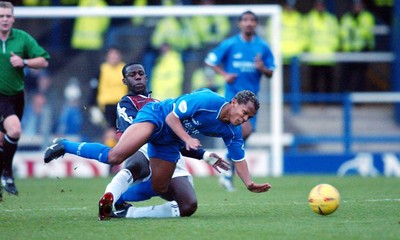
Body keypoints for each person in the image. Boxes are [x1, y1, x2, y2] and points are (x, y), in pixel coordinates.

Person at [44, 87, 272, 218]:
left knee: (160, 187)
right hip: (157, 118)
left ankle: (118, 203)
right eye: (244, 112)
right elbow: (172, 117)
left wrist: (249, 183)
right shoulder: (207, 100)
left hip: (169, 141)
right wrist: (187, 139)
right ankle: (64, 144)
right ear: (233, 102)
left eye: (249, 117)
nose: (244, 118)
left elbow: (238, 158)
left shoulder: (233, 132)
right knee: (116, 156)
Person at [45, 62, 229, 220]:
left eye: (141, 74)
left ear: (146, 77)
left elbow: (178, 139)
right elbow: (138, 133)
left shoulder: (159, 104)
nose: (138, 77)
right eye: (132, 75)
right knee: (133, 162)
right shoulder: (126, 104)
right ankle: (68, 148)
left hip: (169, 154)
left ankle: (128, 211)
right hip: (144, 148)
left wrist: (204, 155)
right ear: (125, 81)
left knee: (188, 206)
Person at [204, 10, 275, 191]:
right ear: (240, 24)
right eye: (245, 20)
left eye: (252, 20)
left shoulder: (262, 47)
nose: (249, 23)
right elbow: (210, 60)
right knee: (243, 131)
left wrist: (262, 68)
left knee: (245, 135)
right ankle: (228, 170)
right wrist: (224, 74)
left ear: (256, 24)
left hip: (252, 103)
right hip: (233, 99)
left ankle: (228, 171)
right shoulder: (230, 44)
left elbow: (271, 72)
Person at [0, 1, 50, 199]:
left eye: (7, 16)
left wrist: (24, 62)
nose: (4, 19)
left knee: (4, 139)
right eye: (1, 16)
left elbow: (44, 60)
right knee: (15, 129)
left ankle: (4, 177)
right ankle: (8, 174)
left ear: (13, 18)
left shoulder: (22, 38)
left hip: (16, 96)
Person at [89, 46, 126, 150]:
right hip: (106, 106)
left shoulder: (124, 69)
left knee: (121, 132)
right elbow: (94, 88)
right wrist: (92, 106)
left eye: (115, 54)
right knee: (110, 132)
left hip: (121, 105)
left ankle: (121, 154)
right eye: (111, 55)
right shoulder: (102, 69)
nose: (113, 57)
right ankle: (111, 157)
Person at [339, 0, 375, 92]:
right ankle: (345, 98)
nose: (357, 8)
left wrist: (355, 28)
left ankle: (359, 99)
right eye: (355, 6)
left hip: (362, 49)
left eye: (359, 5)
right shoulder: (346, 17)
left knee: (361, 76)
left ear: (362, 6)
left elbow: (367, 33)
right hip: (348, 50)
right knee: (346, 76)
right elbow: (342, 33)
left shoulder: (367, 17)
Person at [304, 0, 339, 93]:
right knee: (314, 80)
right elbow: (304, 35)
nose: (320, 7)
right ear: (315, 6)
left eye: (322, 5)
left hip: (328, 55)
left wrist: (334, 47)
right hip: (314, 55)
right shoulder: (309, 19)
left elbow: (336, 35)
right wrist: (307, 48)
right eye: (318, 5)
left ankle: (328, 101)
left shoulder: (331, 19)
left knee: (328, 80)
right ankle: (314, 101)